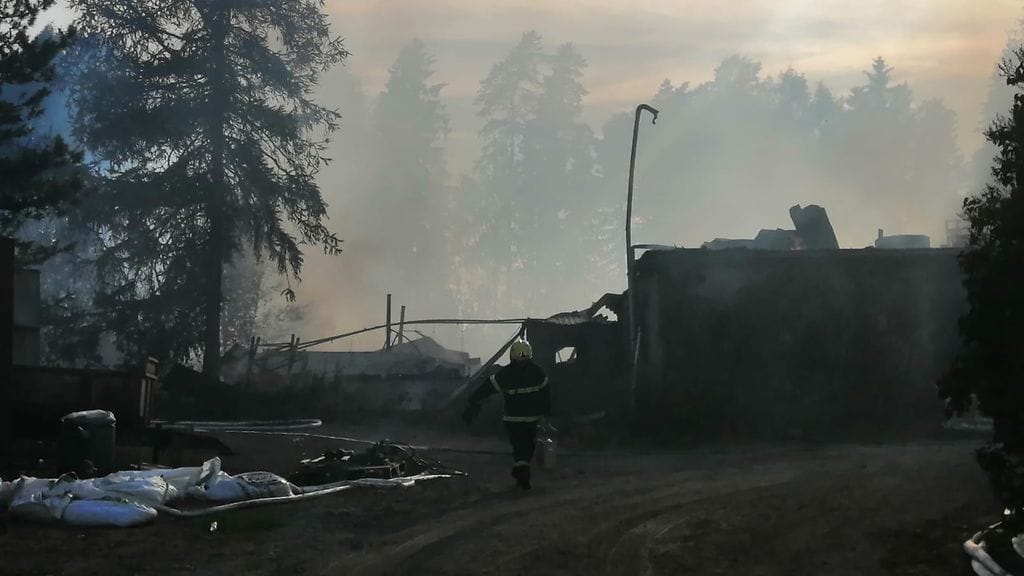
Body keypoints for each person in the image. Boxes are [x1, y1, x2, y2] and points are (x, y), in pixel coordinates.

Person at [462, 338, 550, 490]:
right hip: (532, 419)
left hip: (512, 419)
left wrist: (473, 401)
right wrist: (546, 414)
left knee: (518, 445)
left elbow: (486, 388)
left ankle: (521, 471)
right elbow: (546, 394)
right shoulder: (537, 372)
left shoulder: (506, 373)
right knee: (528, 446)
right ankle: (522, 471)